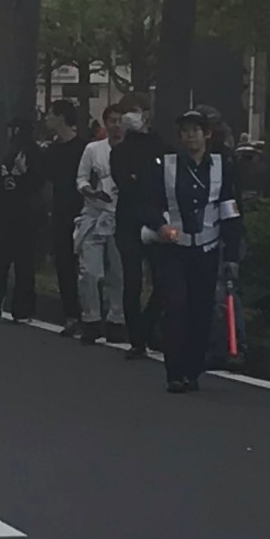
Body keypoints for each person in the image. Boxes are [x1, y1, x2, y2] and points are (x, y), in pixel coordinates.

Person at [138, 108, 245, 394]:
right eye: (185, 131)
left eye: (196, 130)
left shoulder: (223, 166)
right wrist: (160, 225)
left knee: (201, 312)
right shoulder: (166, 165)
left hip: (207, 249)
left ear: (206, 134)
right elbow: (148, 203)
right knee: (176, 307)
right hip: (173, 248)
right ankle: (174, 373)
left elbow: (231, 211)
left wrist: (232, 256)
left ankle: (192, 370)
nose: (190, 136)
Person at [108, 109, 161, 358]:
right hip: (156, 220)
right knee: (161, 279)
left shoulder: (119, 152)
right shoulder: (160, 148)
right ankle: (147, 326)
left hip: (128, 220)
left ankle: (137, 337)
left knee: (132, 282)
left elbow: (125, 184)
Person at [0, 115, 41, 323]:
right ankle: (19, 308)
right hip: (22, 215)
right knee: (22, 264)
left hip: (14, 214)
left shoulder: (11, 152)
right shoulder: (28, 151)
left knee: (2, 261)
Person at [73, 115, 123, 344]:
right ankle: (90, 318)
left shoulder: (131, 151)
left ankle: (117, 319)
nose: (116, 125)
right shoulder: (93, 149)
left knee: (119, 272)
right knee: (89, 271)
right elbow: (81, 178)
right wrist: (90, 191)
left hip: (120, 216)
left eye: (120, 120)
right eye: (112, 120)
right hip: (94, 213)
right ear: (105, 123)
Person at [41, 101, 87, 334]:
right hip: (60, 213)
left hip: (84, 212)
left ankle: (92, 314)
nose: (46, 118)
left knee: (88, 267)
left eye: (50, 114)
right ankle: (71, 314)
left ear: (61, 117)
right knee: (64, 264)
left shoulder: (84, 148)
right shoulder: (51, 150)